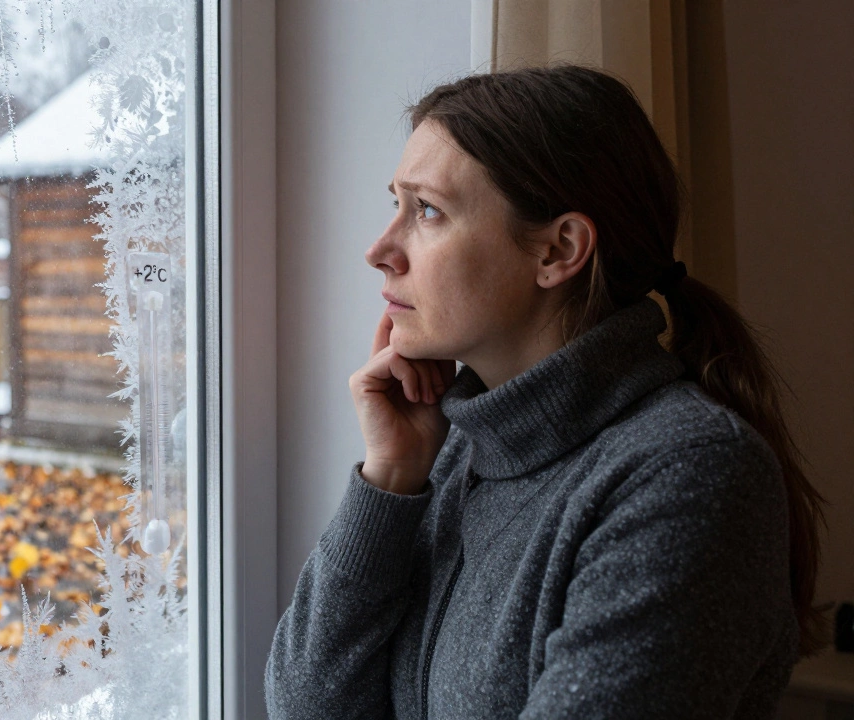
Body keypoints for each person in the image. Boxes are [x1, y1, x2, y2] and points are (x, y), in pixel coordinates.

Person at [265, 65, 825, 718]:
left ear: (559, 250)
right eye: (396, 203)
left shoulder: (688, 477)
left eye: (427, 210)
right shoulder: (452, 454)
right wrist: (390, 480)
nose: (380, 250)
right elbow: (304, 706)